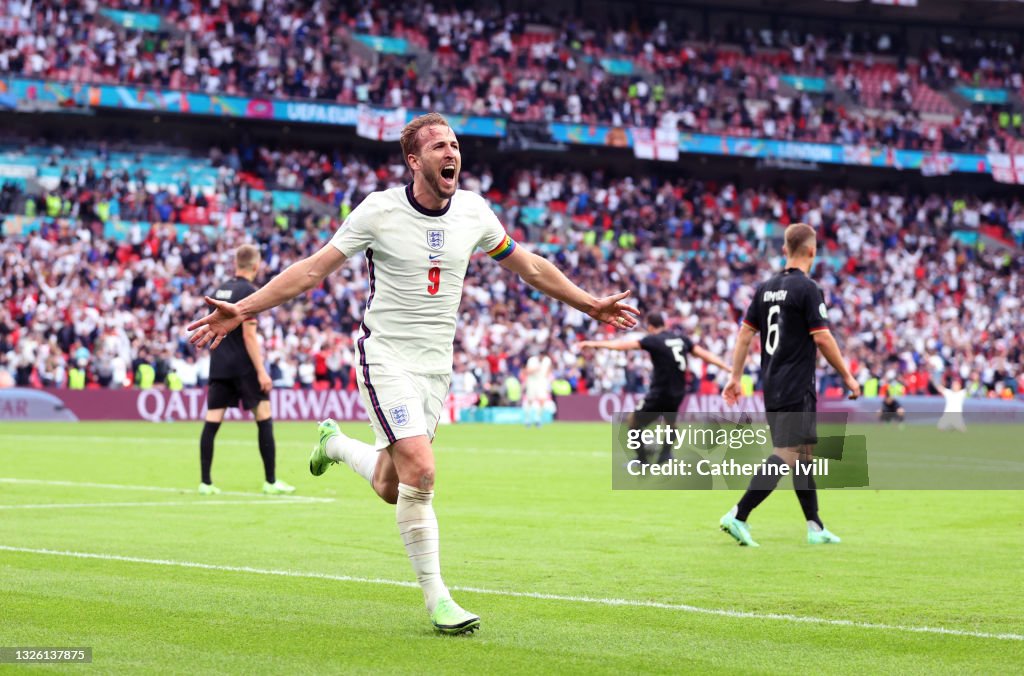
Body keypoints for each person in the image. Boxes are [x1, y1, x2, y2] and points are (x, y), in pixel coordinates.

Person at [187, 112, 639, 635]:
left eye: (455, 144)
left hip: (434, 367)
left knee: (390, 483)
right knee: (421, 471)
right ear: (414, 160)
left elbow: (530, 266)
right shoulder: (378, 211)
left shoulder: (474, 212)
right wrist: (243, 309)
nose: (452, 153)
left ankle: (333, 445)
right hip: (385, 356)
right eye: (439, 147)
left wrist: (590, 305)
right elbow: (311, 270)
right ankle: (439, 600)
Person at [720, 223, 861, 547]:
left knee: (803, 455)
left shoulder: (765, 288)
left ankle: (815, 526)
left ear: (785, 250)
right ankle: (738, 515)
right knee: (787, 453)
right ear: (812, 251)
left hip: (773, 384)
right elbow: (822, 336)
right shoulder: (808, 289)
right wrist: (847, 376)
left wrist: (735, 377)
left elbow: (744, 334)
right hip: (795, 385)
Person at [197, 244, 295, 496]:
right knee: (263, 417)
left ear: (235, 263)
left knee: (212, 421)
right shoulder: (249, 292)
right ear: (256, 265)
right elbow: (250, 337)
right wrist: (261, 371)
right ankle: (271, 481)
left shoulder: (219, 290)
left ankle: (205, 483)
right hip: (244, 366)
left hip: (219, 363)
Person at [579, 312, 732, 464]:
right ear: (664, 324)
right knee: (670, 422)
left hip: (660, 391)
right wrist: (727, 367)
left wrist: (594, 344)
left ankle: (643, 459)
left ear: (650, 327)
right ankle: (665, 456)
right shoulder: (681, 339)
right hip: (678, 391)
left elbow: (621, 346)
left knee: (632, 421)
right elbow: (703, 354)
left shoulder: (653, 340)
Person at [521, 349, 554, 427]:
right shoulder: (532, 360)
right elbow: (526, 371)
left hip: (542, 382)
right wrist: (535, 368)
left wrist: (548, 379)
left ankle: (538, 418)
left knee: (542, 400)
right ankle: (527, 419)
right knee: (530, 400)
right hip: (532, 382)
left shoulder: (547, 360)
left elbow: (549, 370)